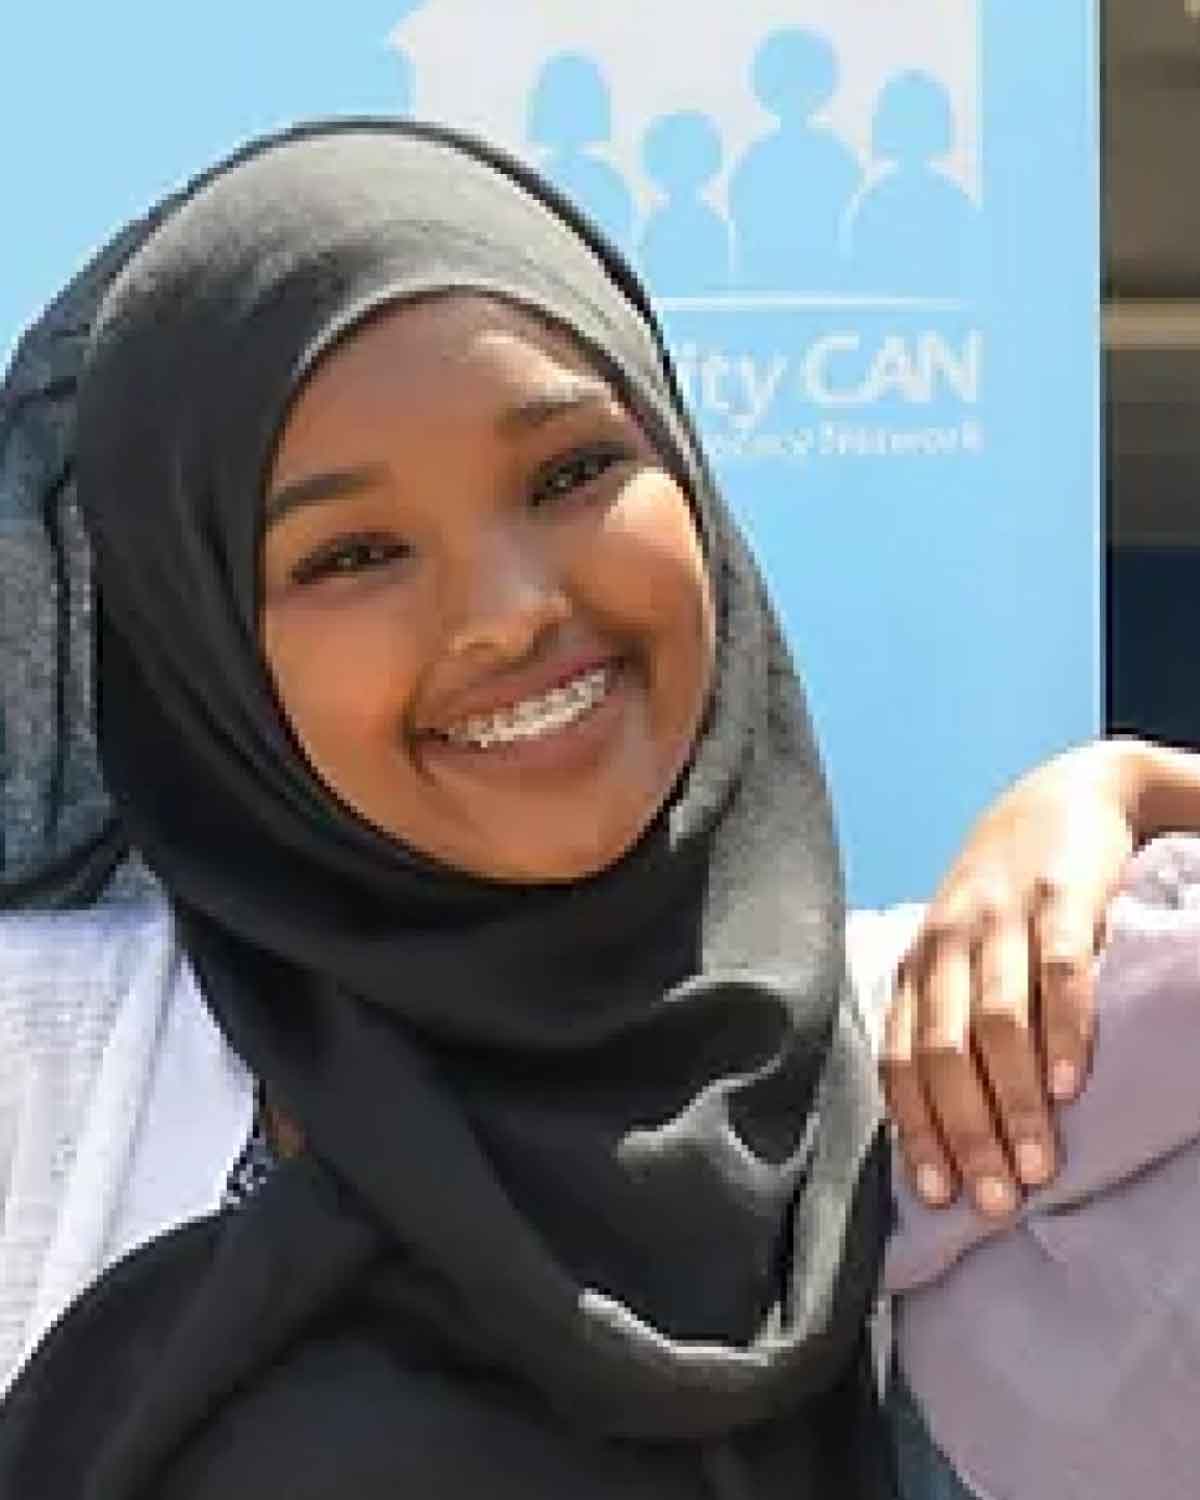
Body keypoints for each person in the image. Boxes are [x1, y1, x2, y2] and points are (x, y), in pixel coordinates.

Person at [0, 117, 1197, 1499]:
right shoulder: (66, 1074)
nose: (513, 613)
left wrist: (1132, 787)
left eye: (572, 473)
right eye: (354, 555)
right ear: (200, 645)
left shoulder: (940, 1054)